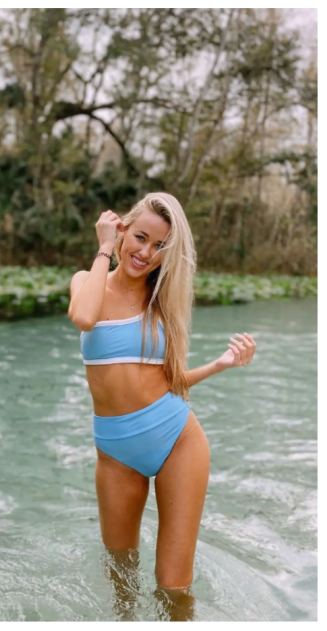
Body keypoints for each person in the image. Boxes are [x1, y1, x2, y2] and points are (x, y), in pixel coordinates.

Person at [67, 193, 257, 621]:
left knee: (173, 587)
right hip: (116, 453)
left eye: (159, 247)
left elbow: (169, 382)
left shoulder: (161, 302)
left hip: (177, 439)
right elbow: (82, 316)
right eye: (140, 238)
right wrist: (103, 247)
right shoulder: (86, 279)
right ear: (122, 230)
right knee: (121, 577)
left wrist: (221, 363)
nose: (146, 253)